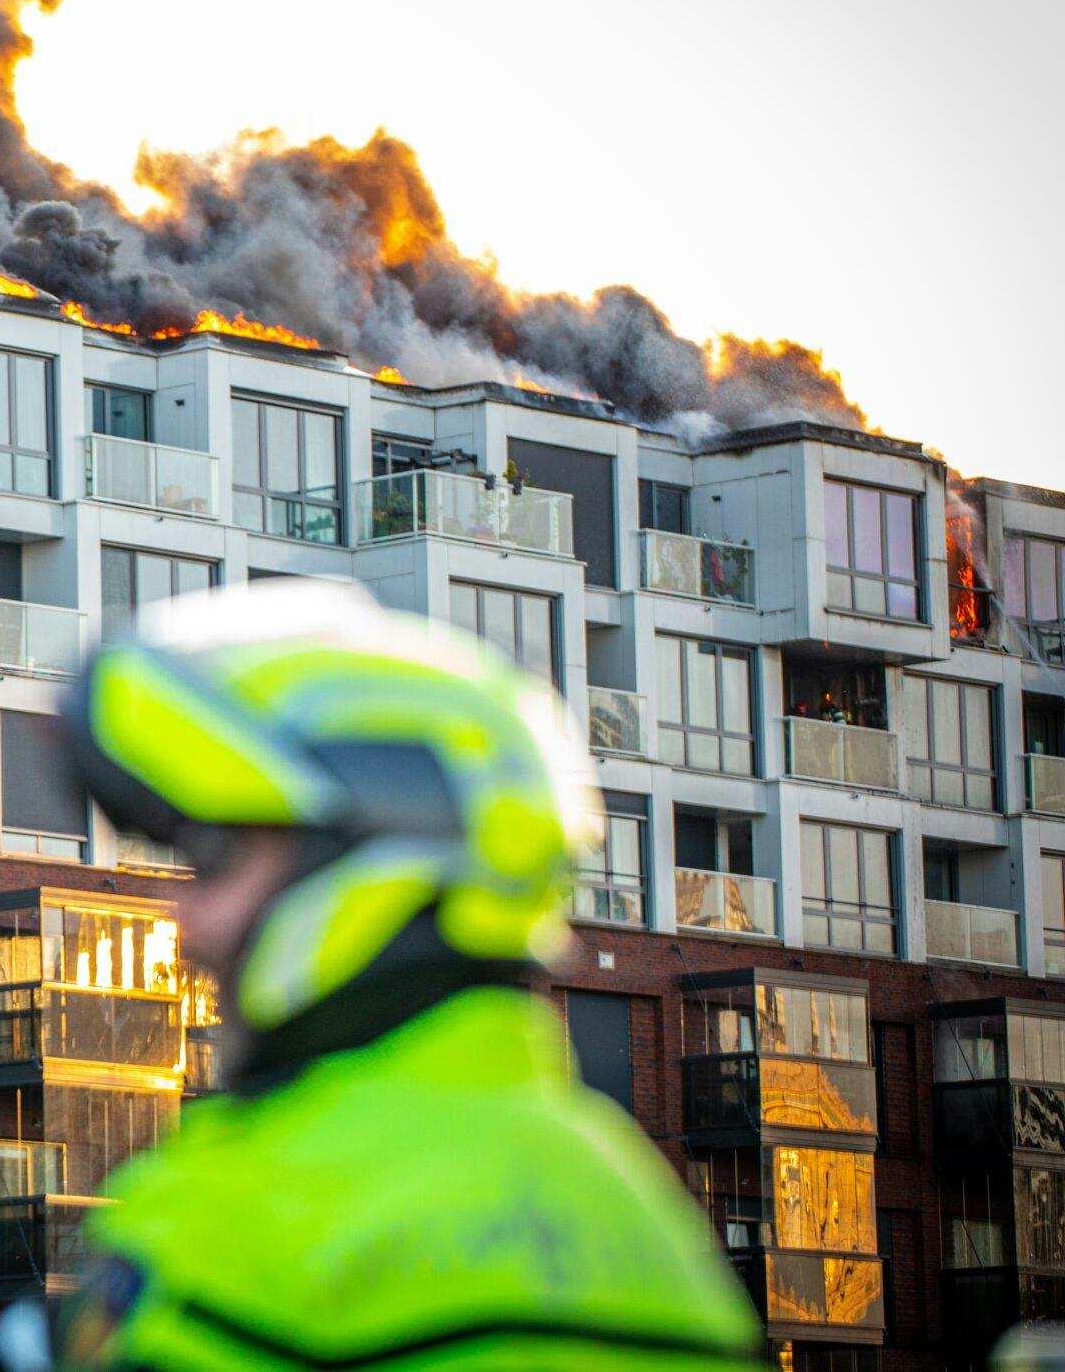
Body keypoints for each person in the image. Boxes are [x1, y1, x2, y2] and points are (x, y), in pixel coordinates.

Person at [38, 579, 766, 1371]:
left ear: (370, 864)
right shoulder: (650, 1222)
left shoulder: (230, 1224)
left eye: (216, 858)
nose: (186, 925)